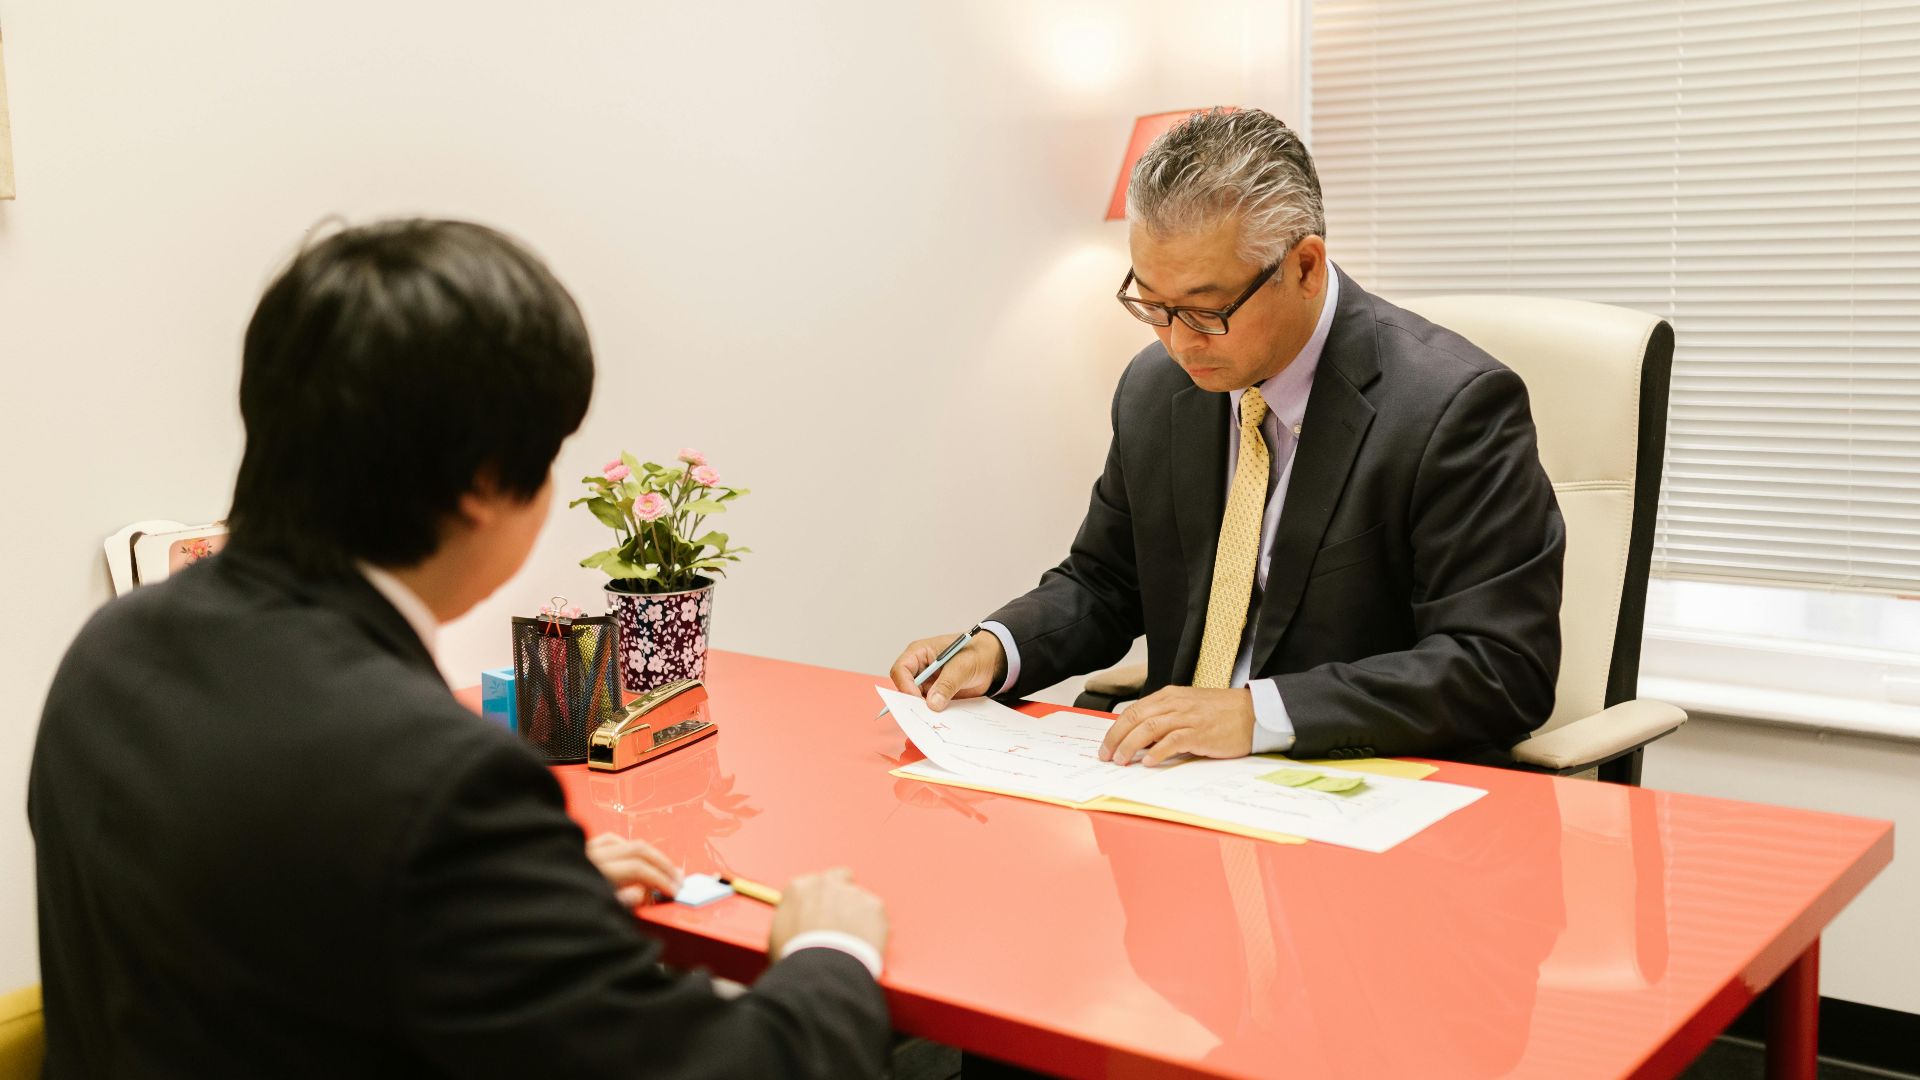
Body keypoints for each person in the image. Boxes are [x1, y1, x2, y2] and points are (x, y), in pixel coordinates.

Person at [30, 219, 892, 1078]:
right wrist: (829, 951)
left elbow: (265, 918)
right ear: (484, 482)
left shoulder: (111, 652)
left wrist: (517, 899)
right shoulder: (434, 783)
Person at [890, 108, 1564, 768]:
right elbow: (1103, 582)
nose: (1180, 343)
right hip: (1173, 777)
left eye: (1208, 311)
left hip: (1356, 785)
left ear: (1304, 267)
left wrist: (1258, 713)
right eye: (1154, 306)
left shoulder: (1451, 406)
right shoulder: (1158, 388)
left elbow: (1499, 668)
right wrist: (997, 648)